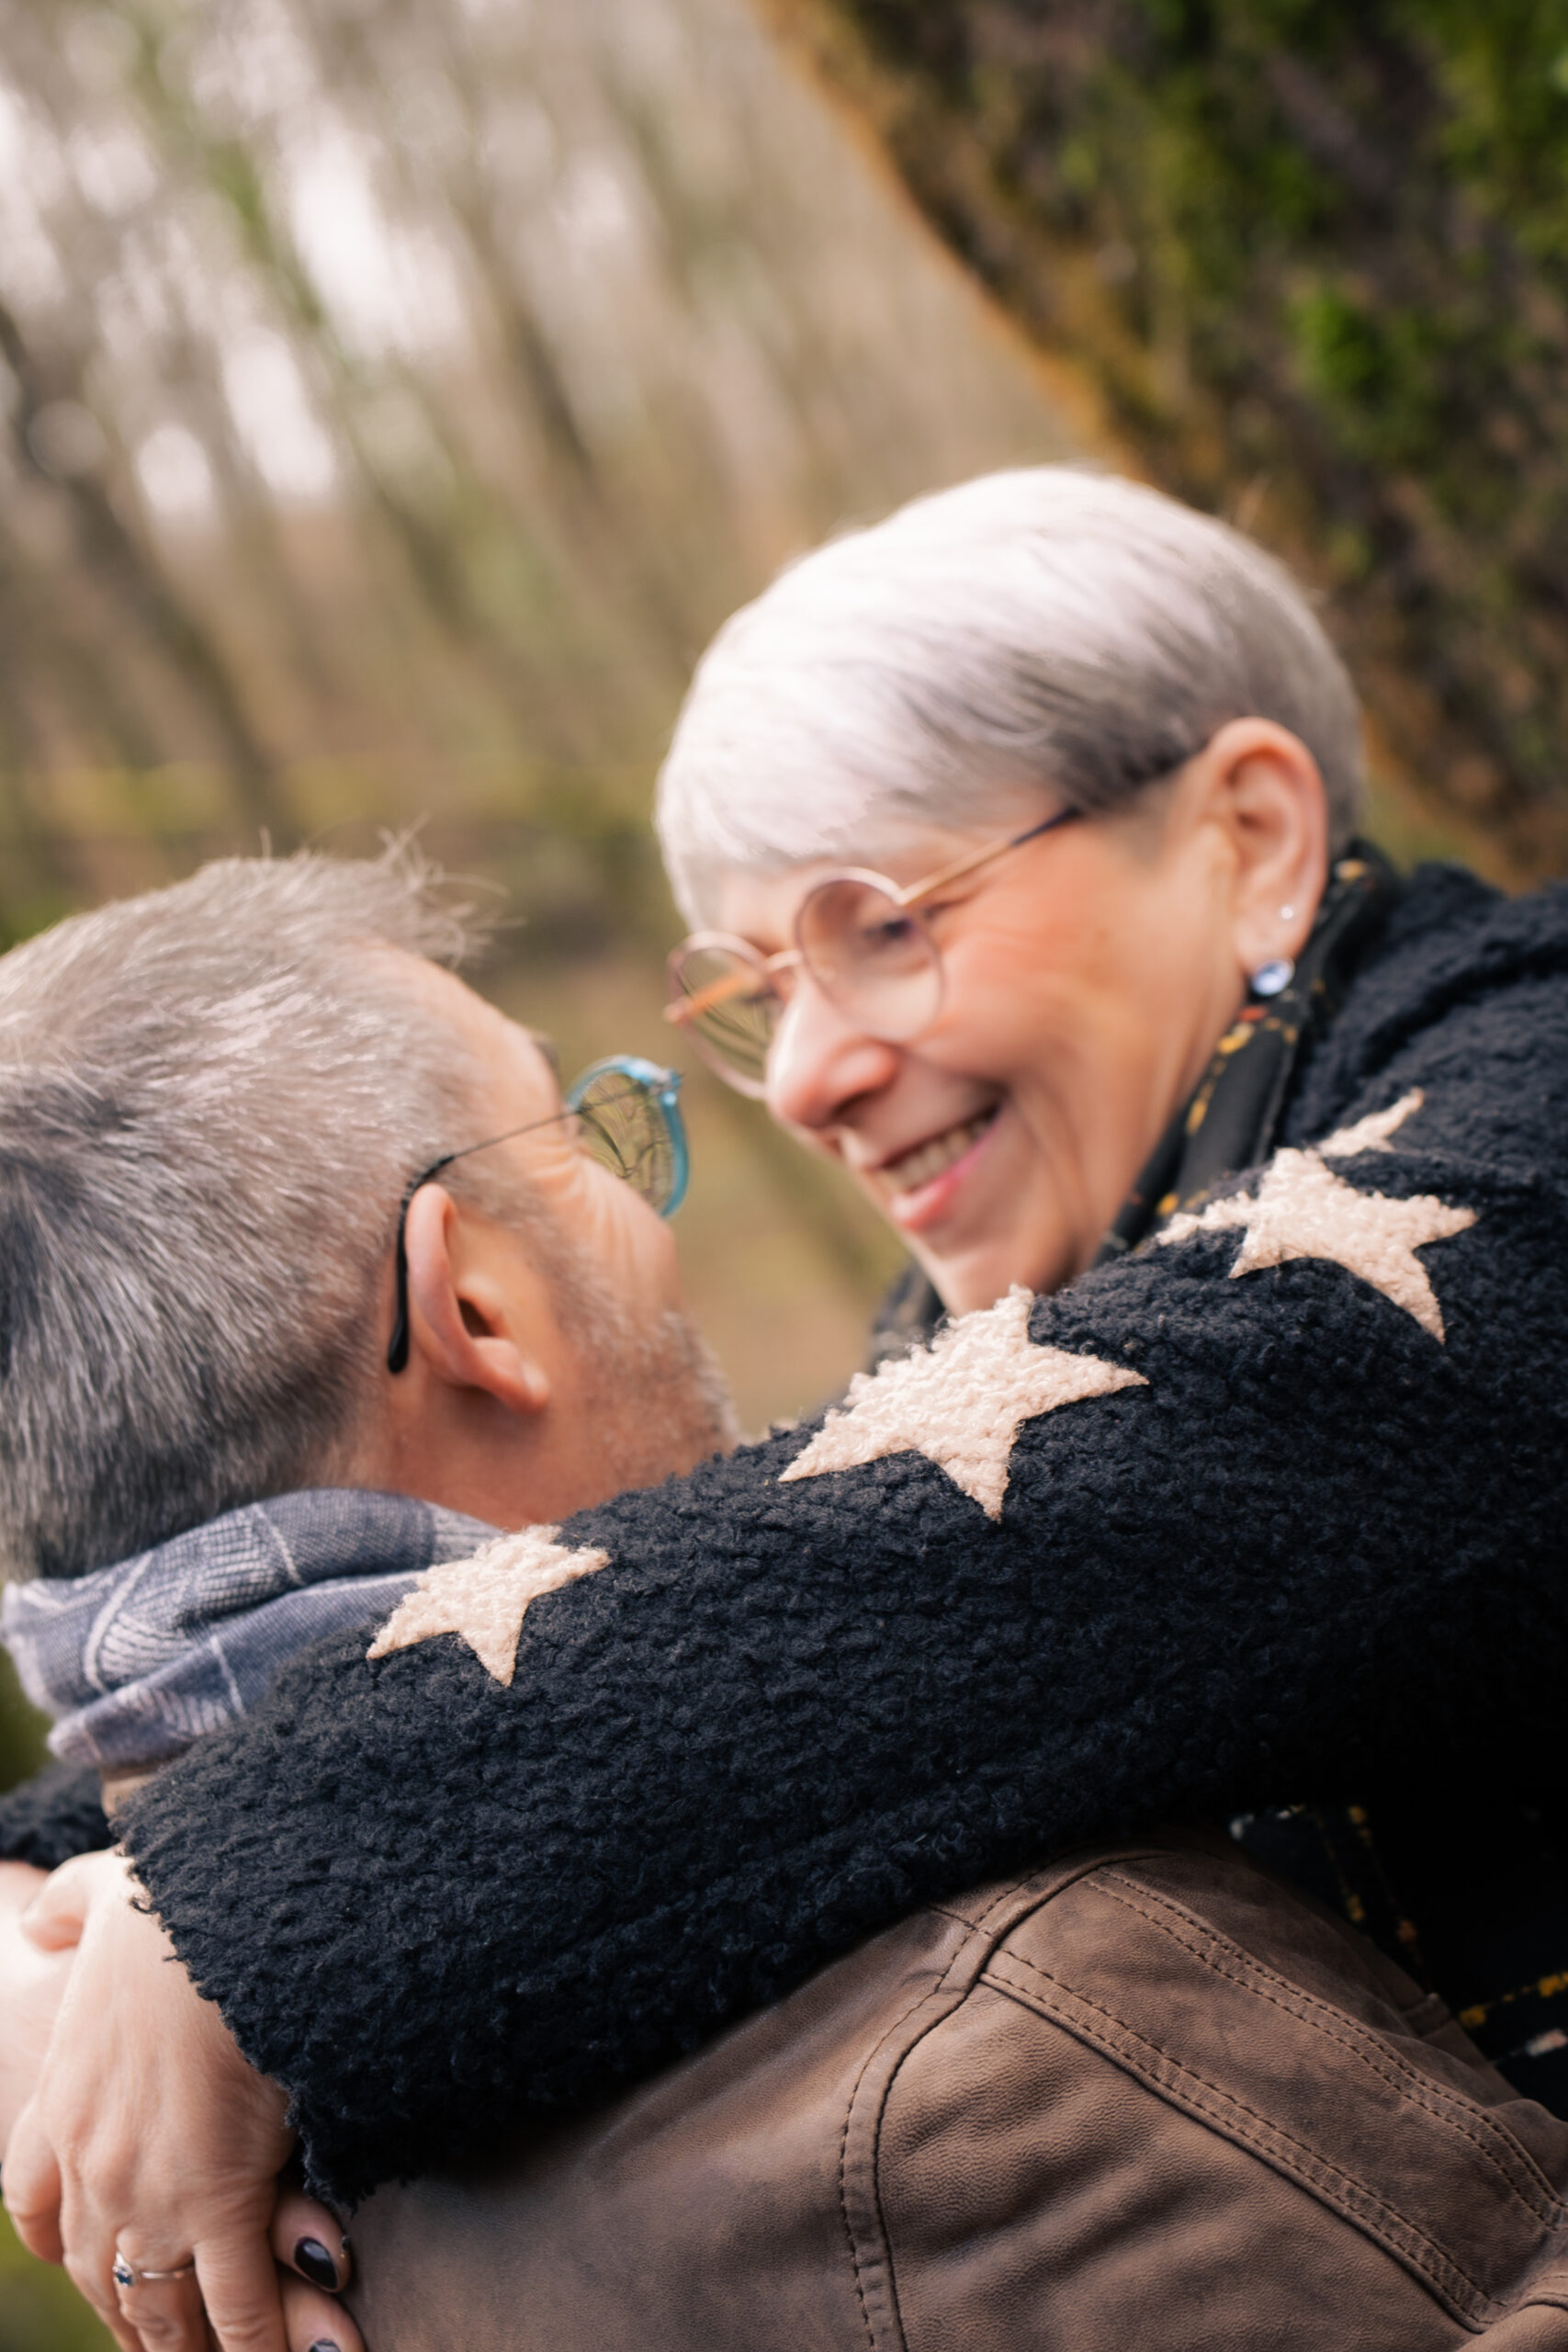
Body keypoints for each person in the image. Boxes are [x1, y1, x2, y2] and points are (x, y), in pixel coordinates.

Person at [7, 468, 1568, 2345]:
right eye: (756, 990)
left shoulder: (1515, 1120)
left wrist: (259, 1876)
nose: (807, 1076)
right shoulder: (981, 1352)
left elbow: (1147, 1470)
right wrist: (47, 1914)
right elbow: (803, 1575)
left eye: (880, 925)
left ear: (1241, 831)